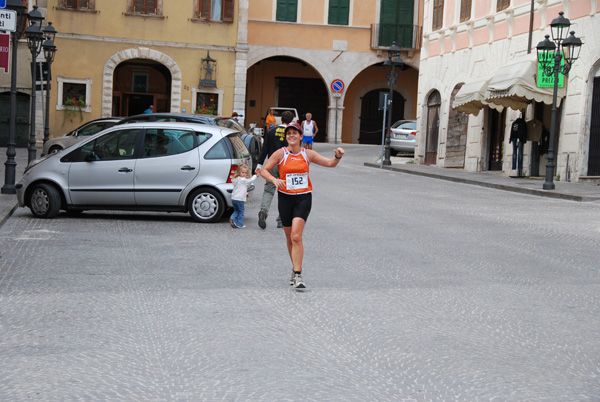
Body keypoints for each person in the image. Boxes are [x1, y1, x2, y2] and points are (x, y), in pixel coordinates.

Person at [260, 122, 345, 289]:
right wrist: (274, 179)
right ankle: (294, 268)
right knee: (289, 236)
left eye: (294, 133)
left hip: (303, 198)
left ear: (300, 136)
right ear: (286, 137)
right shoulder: (280, 153)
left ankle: (298, 275)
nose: (291, 136)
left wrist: (338, 157)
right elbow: (264, 170)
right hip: (285, 198)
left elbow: (330, 163)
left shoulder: (308, 154)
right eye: (289, 133)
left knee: (296, 236)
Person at [256, 110, 294, 229]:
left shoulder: (271, 131)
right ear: (291, 121)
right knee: (285, 192)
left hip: (272, 164)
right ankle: (281, 220)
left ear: (281, 118)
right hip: (286, 165)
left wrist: (259, 165)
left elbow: (265, 149)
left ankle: (263, 211)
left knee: (269, 190)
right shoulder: (292, 134)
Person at [230, 163, 259, 229]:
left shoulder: (236, 179)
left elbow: (239, 189)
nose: (244, 174)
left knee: (236, 211)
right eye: (243, 172)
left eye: (245, 173)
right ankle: (240, 224)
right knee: (241, 211)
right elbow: (250, 180)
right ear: (239, 172)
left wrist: (246, 193)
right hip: (240, 199)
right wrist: (256, 176)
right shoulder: (242, 180)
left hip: (234, 198)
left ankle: (232, 218)